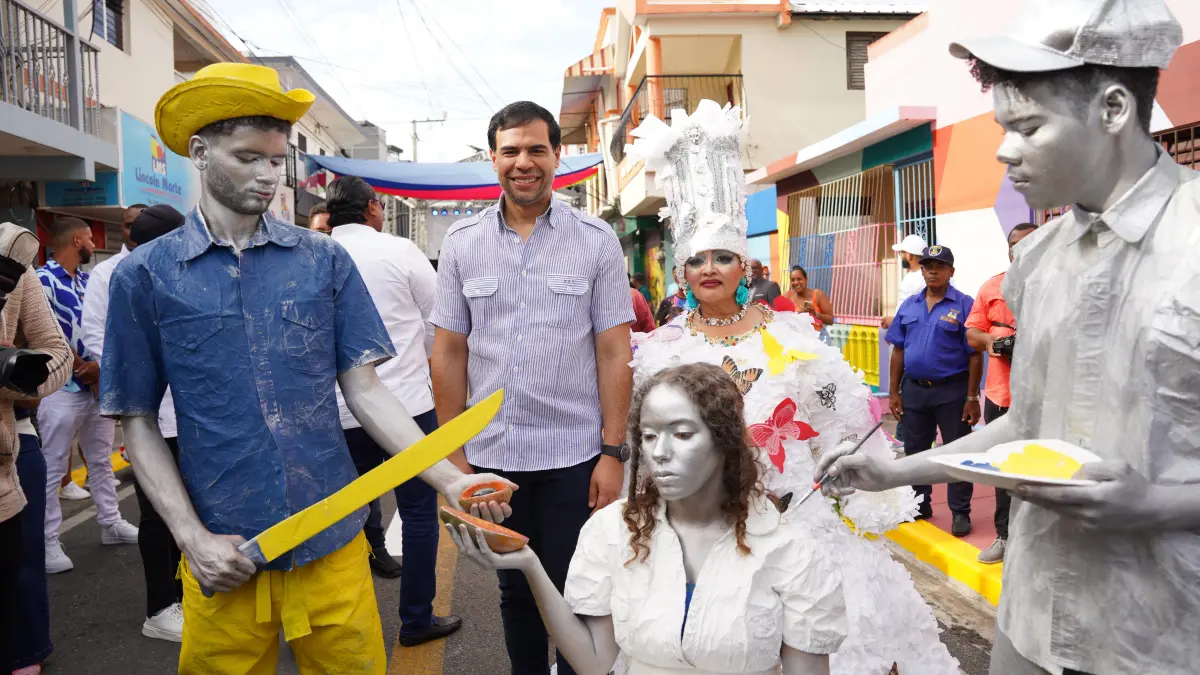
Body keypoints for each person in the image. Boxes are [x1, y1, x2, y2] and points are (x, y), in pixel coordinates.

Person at [820, 2, 1198, 673]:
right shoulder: (1037, 260)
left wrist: (1157, 504)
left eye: (1028, 126)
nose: (1003, 148)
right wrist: (896, 471)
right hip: (1032, 616)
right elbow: (1026, 424)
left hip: (1162, 633)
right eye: (1002, 126)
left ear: (1113, 110)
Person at [100, 62, 510, 675]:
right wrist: (190, 537)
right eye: (248, 158)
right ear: (199, 152)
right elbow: (136, 420)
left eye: (275, 160)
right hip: (227, 550)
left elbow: (366, 390)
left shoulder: (323, 262)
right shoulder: (146, 275)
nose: (268, 175)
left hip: (333, 540)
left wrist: (449, 481)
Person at [626, 99, 959, 674]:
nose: (711, 268)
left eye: (724, 256)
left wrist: (846, 483)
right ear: (680, 269)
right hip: (700, 529)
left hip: (796, 517)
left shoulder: (793, 337)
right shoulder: (662, 350)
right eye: (697, 259)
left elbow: (841, 420)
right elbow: (648, 446)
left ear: (744, 266)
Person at [450, 363, 848, 675]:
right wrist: (529, 565)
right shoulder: (611, 531)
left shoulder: (790, 550)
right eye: (649, 435)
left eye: (682, 434)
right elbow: (593, 663)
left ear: (724, 440)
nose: (660, 452)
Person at [430, 100, 633, 675]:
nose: (524, 162)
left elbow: (614, 351)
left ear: (555, 156)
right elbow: (448, 352)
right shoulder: (464, 243)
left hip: (575, 456)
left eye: (536, 149)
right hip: (494, 459)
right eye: (511, 151)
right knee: (514, 590)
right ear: (492, 158)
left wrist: (612, 452)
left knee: (580, 589)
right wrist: (455, 457)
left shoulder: (595, 240)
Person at [325, 175, 462, 647]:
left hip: (338, 412)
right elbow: (438, 322)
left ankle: (339, 625)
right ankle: (416, 620)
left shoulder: (310, 255)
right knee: (421, 514)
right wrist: (413, 358)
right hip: (407, 406)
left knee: (339, 515)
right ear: (374, 208)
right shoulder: (400, 251)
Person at [81, 204, 187, 642]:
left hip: (191, 412)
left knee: (192, 508)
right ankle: (159, 608)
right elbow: (95, 336)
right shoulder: (111, 276)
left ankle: (188, 594)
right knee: (156, 512)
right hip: (148, 412)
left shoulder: (181, 269)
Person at [37, 217, 139, 575]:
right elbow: (44, 331)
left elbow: (99, 326)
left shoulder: (86, 280)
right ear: (77, 240)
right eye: (91, 242)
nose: (94, 246)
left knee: (100, 459)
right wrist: (81, 367)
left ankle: (110, 523)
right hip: (60, 388)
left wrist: (101, 371)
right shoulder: (40, 281)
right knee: (53, 466)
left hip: (96, 387)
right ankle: (47, 541)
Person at [0, 222, 71, 675]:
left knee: (18, 570)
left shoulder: (11, 261)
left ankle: (25, 654)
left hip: (7, 456)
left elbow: (56, 352)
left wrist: (16, 379)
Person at [884, 245, 981, 534]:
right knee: (915, 451)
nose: (932, 271)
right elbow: (898, 350)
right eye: (927, 266)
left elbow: (975, 354)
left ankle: (960, 512)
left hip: (952, 391)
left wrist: (972, 397)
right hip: (914, 390)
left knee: (957, 453)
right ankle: (919, 503)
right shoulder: (909, 306)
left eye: (939, 266)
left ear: (951, 271)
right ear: (922, 270)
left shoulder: (964, 305)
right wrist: (894, 392)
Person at [964, 223, 1037, 564]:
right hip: (1000, 395)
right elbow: (972, 334)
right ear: (1007, 250)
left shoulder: (1060, 286)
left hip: (1046, 396)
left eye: (1030, 242)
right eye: (1014, 244)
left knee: (1045, 468)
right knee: (1003, 467)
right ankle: (1005, 537)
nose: (1020, 249)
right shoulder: (992, 286)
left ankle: (1042, 542)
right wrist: (993, 341)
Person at [785, 266, 833, 343]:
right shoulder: (787, 296)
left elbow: (830, 320)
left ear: (806, 279)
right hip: (796, 339)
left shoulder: (818, 295)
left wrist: (814, 314)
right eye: (793, 280)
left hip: (818, 338)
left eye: (799, 279)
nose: (796, 282)